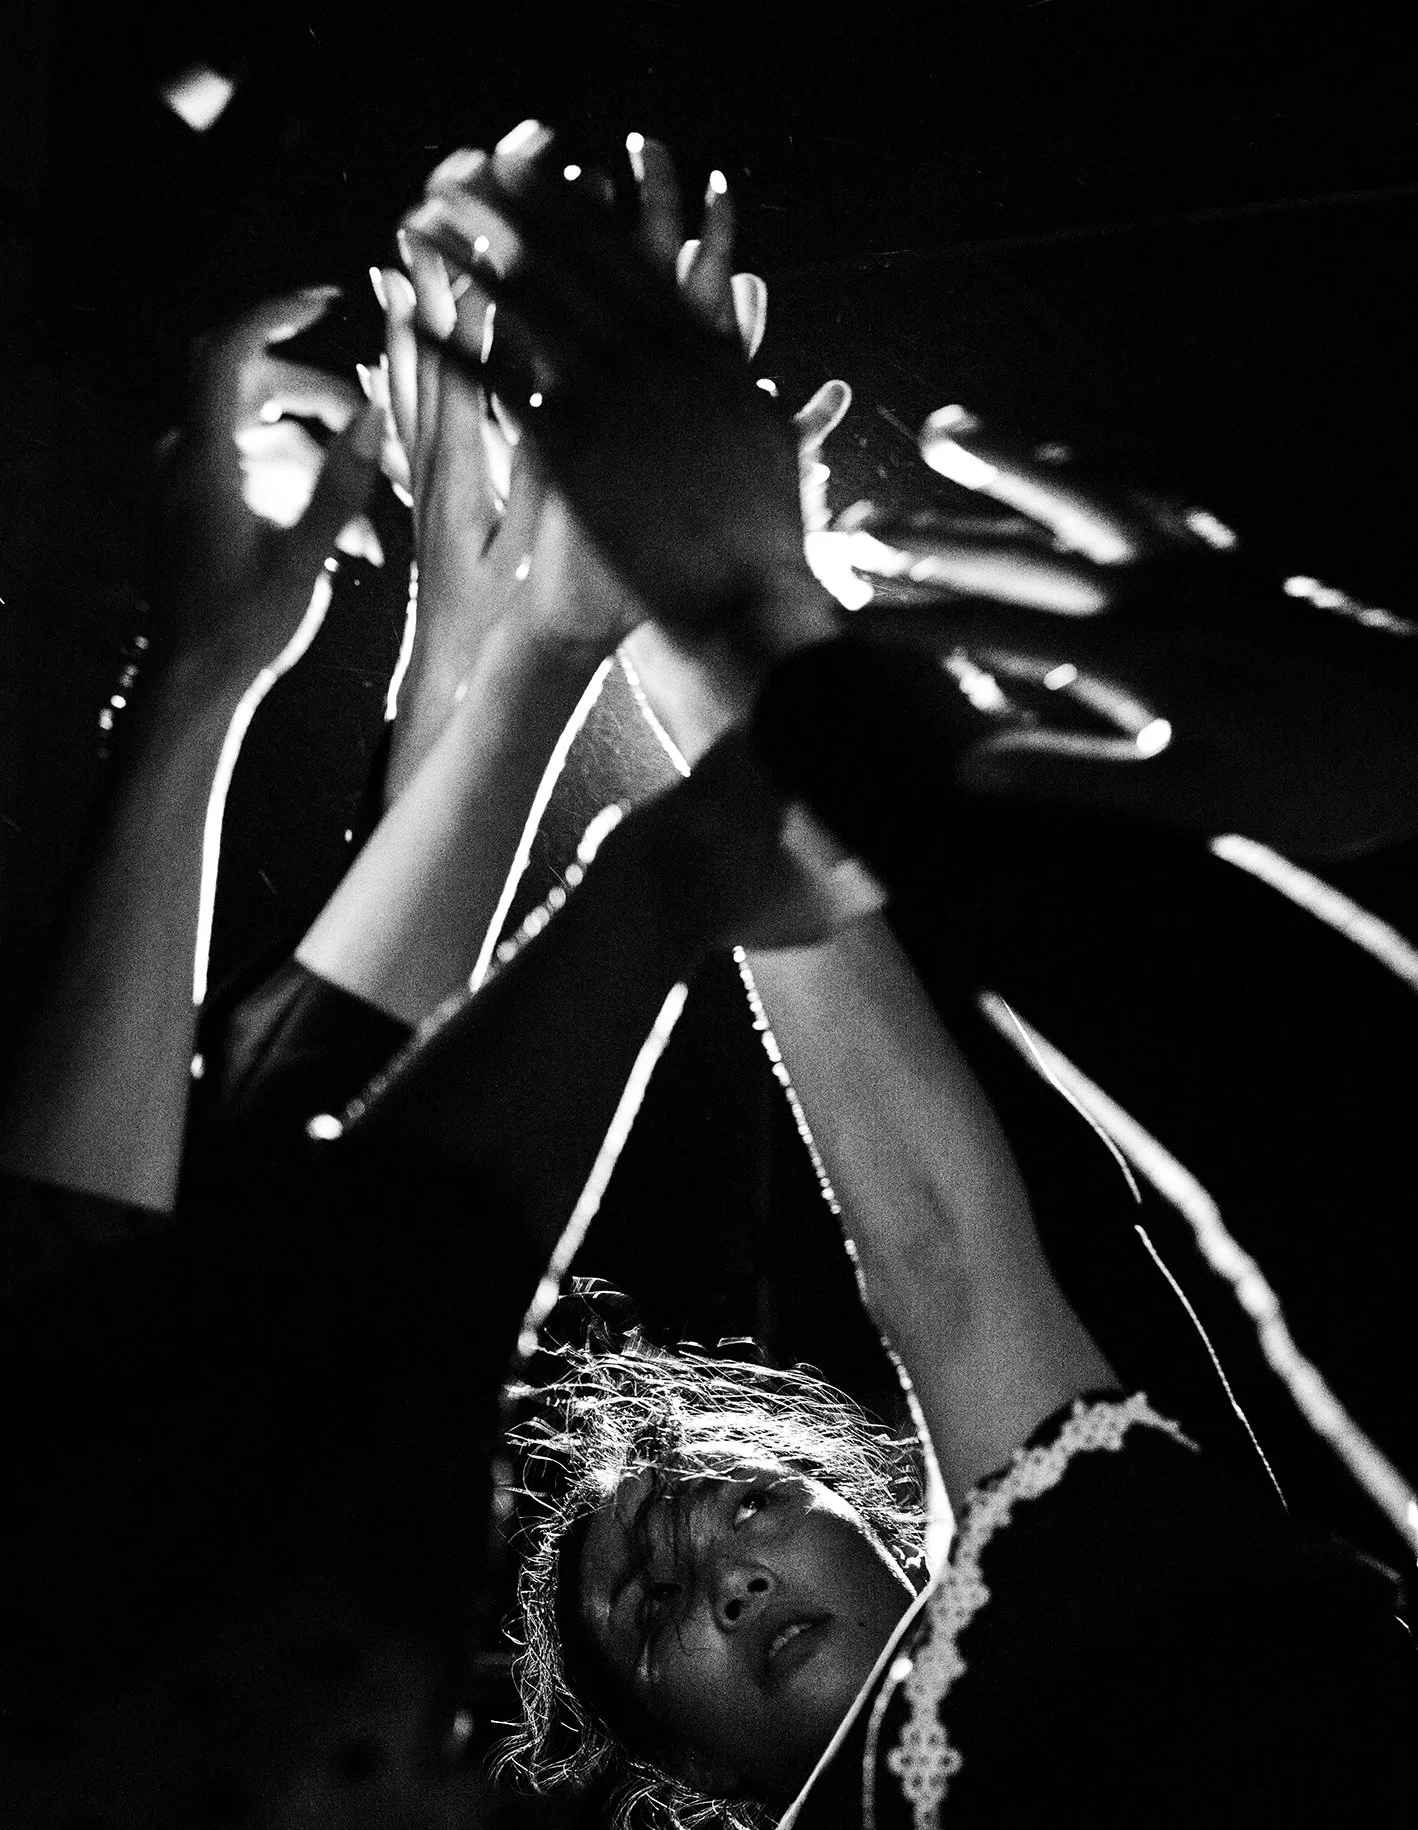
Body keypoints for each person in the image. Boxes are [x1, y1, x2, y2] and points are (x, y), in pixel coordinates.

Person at [389, 127, 1418, 1827]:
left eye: (739, 1509)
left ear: (860, 1503)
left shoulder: (1064, 1569)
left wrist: (703, 628)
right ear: (678, 1770)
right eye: (654, 1605)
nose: (726, 1575)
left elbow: (930, 1234)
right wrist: (736, 616)